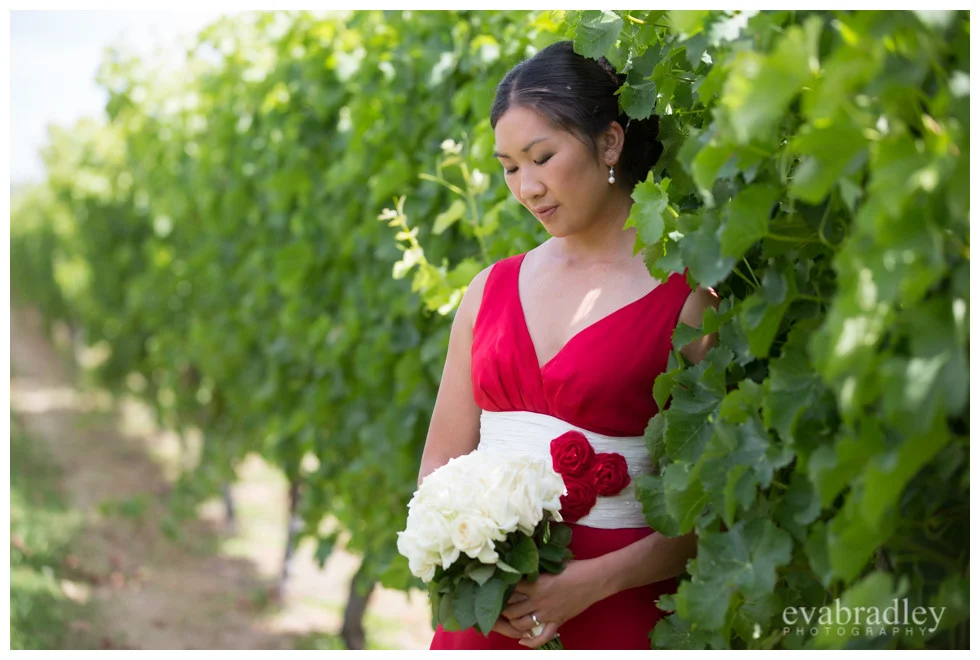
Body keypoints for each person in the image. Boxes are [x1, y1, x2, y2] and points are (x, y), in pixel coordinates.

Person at [416, 40, 719, 650]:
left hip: (619, 613)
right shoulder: (487, 291)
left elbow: (715, 505)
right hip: (492, 617)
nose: (527, 188)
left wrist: (593, 583)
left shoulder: (686, 303)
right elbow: (440, 466)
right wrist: (470, 570)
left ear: (609, 143)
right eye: (509, 167)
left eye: (542, 157)